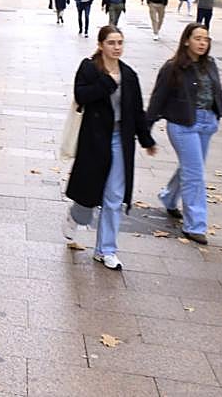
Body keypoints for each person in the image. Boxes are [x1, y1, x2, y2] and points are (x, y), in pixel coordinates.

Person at [62, 26, 159, 269]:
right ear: (101, 45)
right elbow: (81, 96)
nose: (117, 48)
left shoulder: (129, 75)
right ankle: (76, 216)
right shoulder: (89, 68)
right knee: (88, 193)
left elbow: (137, 111)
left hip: (120, 140)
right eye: (111, 43)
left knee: (114, 197)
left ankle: (106, 250)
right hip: (94, 140)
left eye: (120, 43)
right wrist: (106, 83)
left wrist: (146, 139)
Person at [146, 24, 222, 244]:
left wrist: (217, 113)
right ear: (186, 41)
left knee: (191, 167)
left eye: (206, 39)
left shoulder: (210, 64)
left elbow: (215, 91)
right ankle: (195, 225)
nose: (202, 43)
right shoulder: (173, 67)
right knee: (195, 174)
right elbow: (157, 99)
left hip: (207, 123)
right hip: (183, 124)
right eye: (198, 38)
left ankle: (169, 197)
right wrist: (146, 130)